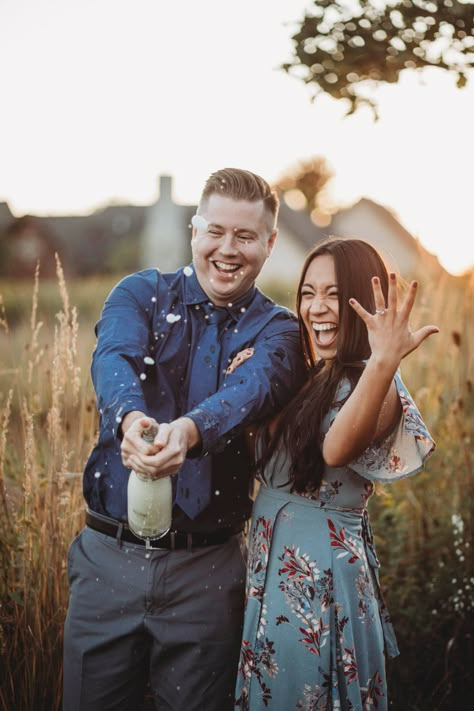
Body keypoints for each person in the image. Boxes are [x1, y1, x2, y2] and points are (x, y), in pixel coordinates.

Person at [62, 168, 308, 711]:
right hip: (107, 559)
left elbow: (256, 387)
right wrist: (130, 420)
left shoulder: (281, 330)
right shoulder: (140, 292)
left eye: (245, 237)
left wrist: (190, 432)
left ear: (269, 244)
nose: (227, 249)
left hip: (208, 571)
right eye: (215, 231)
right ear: (195, 231)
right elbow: (113, 358)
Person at [233, 237, 438, 711]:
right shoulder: (314, 376)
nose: (316, 308)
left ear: (365, 307)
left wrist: (385, 358)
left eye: (333, 294)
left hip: (318, 585)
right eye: (308, 292)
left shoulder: (373, 381)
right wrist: (248, 391)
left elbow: (336, 447)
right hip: (275, 575)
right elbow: (273, 461)